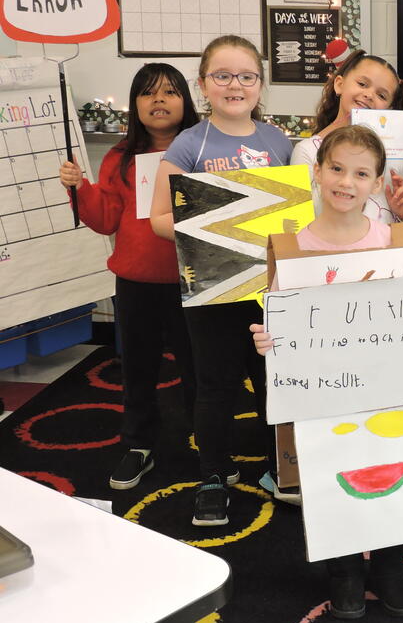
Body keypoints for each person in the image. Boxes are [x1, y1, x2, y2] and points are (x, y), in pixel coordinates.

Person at [249, 125, 403, 619]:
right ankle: (343, 570)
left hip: (390, 389)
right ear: (317, 171)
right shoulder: (294, 250)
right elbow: (281, 326)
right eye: (337, 169)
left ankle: (390, 566)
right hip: (326, 393)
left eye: (361, 174)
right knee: (333, 468)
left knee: (394, 461)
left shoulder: (395, 241)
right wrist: (267, 340)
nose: (347, 182)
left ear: (378, 183)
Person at [150, 34, 295, 526]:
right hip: (211, 286)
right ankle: (213, 474)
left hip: (269, 287)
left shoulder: (277, 142)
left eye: (247, 76)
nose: (236, 85)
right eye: (223, 76)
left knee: (273, 379)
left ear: (261, 83)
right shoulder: (190, 144)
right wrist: (221, 222)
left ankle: (282, 466)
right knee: (215, 385)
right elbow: (159, 219)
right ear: (203, 84)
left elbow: (296, 213)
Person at [59, 63, 200, 490]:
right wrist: (80, 187)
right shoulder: (120, 158)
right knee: (138, 370)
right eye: (148, 93)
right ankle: (139, 444)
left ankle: (207, 441)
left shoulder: (203, 149)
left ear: (185, 101)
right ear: (135, 105)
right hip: (137, 283)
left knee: (199, 369)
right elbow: (105, 219)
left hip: (193, 279)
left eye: (170, 92)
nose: (159, 100)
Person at [291, 48, 403, 222]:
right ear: (339, 84)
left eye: (381, 95)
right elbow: (301, 222)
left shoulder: (397, 153)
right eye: (362, 84)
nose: (369, 95)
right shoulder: (307, 151)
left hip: (388, 239)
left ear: (389, 108)